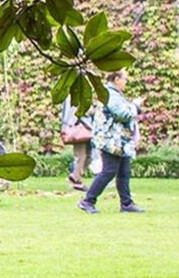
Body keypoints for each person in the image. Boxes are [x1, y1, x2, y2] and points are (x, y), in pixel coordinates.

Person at [79, 70, 144, 215]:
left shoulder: (113, 94)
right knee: (108, 171)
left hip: (120, 141)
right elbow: (123, 114)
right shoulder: (110, 95)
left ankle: (126, 203)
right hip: (112, 141)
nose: (126, 82)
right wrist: (136, 106)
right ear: (116, 79)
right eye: (125, 79)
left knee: (123, 172)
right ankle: (87, 200)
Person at [60, 96, 93, 192]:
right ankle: (76, 179)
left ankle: (76, 176)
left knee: (87, 155)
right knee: (81, 155)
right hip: (79, 127)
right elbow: (82, 110)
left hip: (83, 127)